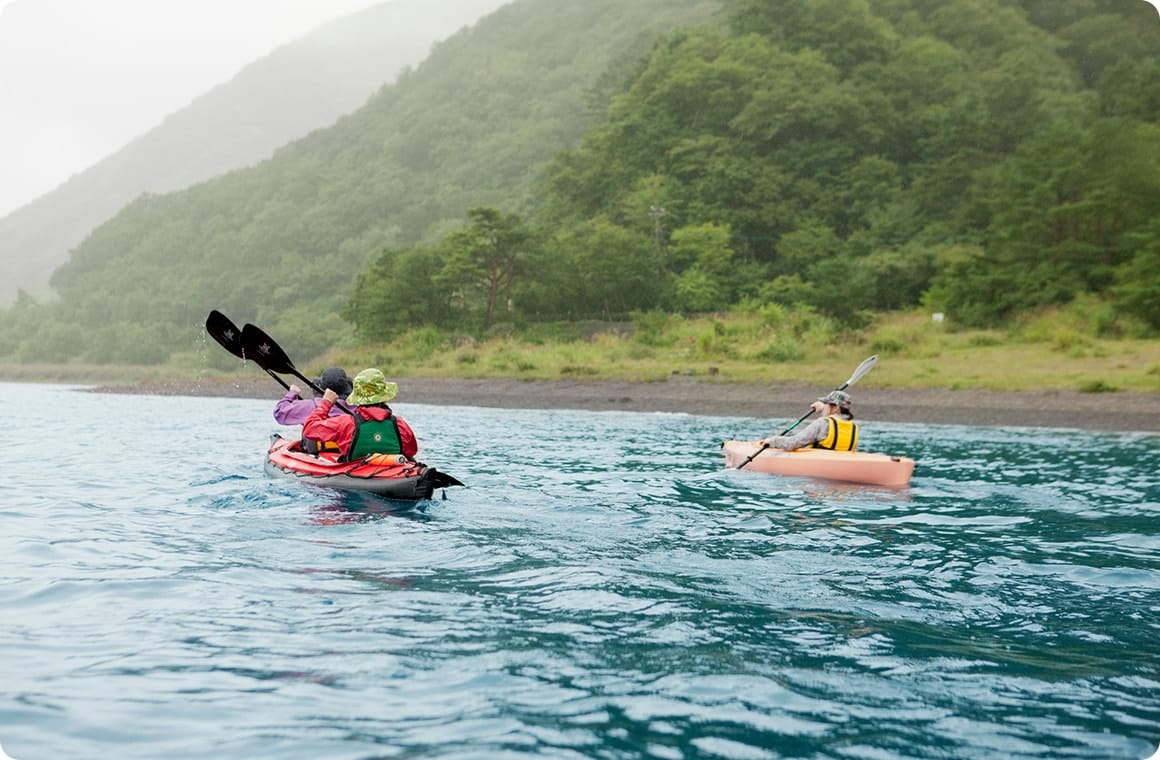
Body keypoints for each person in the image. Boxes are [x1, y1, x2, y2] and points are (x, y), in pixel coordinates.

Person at [302, 368, 418, 461]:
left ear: (358, 398)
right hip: (393, 474)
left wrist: (326, 403)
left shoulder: (346, 423)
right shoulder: (400, 424)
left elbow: (309, 429)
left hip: (354, 476)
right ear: (384, 397)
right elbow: (411, 452)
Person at [758, 390, 859, 451]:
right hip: (841, 462)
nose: (824, 407)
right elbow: (834, 423)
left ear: (836, 407)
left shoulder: (823, 422)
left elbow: (793, 443)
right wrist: (824, 407)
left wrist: (772, 441)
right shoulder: (853, 426)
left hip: (821, 464)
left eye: (826, 404)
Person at [273, 367, 353, 426]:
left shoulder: (309, 407)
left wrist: (292, 393)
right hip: (347, 447)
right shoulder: (357, 409)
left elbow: (279, 413)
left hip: (316, 448)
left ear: (321, 388)